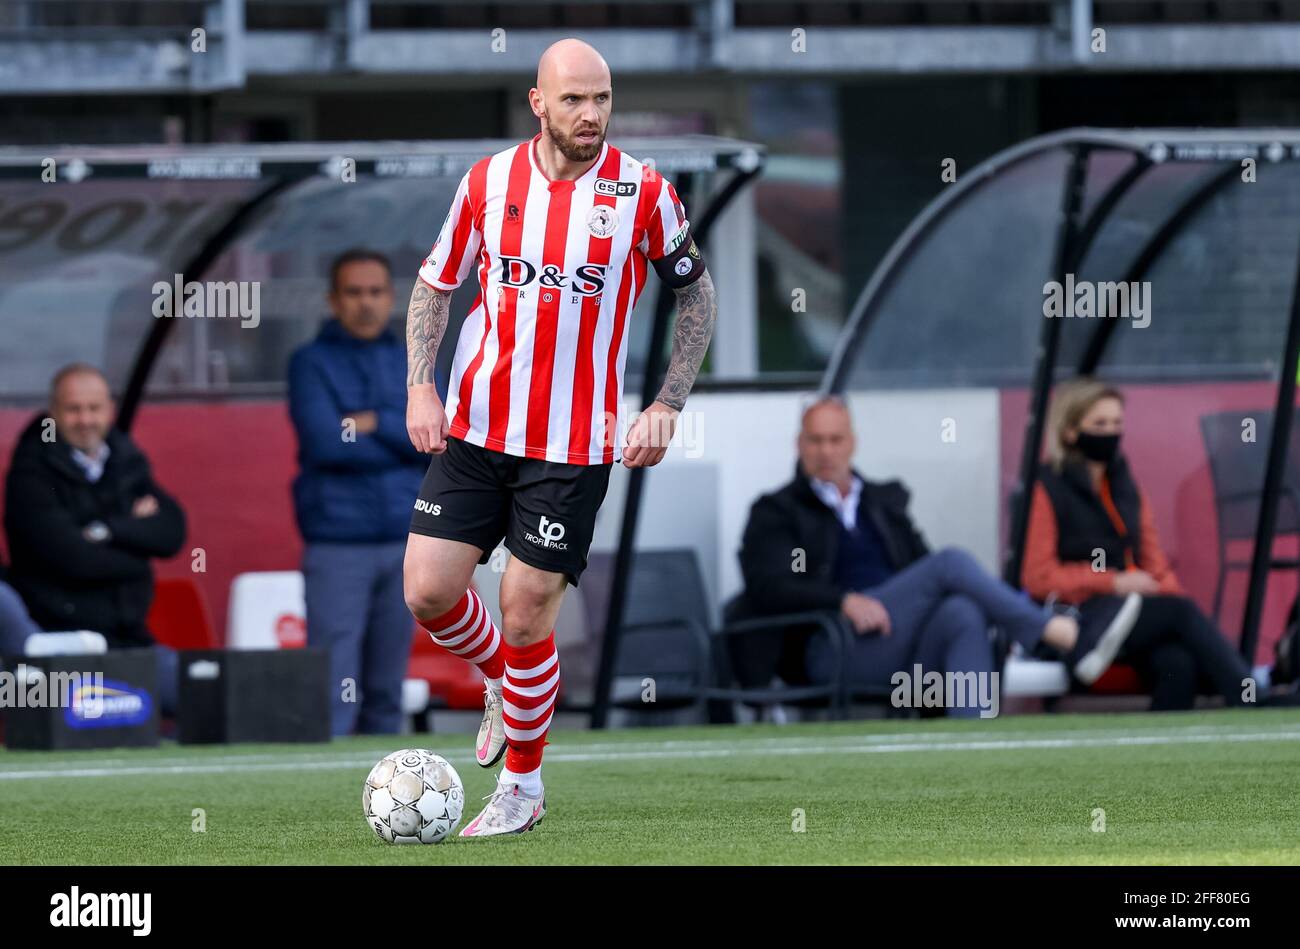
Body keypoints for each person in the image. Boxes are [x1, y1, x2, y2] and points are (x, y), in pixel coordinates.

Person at [402, 38, 717, 837]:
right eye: (574, 100)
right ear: (538, 103)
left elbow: (698, 299)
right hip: (476, 426)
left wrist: (669, 404)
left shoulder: (644, 193)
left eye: (602, 99)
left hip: (573, 444)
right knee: (429, 591)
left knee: (527, 608)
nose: (591, 114)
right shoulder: (488, 181)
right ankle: (504, 683)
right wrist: (420, 385)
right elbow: (437, 286)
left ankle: (523, 789)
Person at [739, 395, 1080, 717]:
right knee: (950, 563)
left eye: (835, 439)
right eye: (815, 440)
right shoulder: (776, 511)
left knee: (961, 610)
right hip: (831, 645)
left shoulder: (882, 503)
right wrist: (844, 601)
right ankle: (1041, 629)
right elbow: (769, 587)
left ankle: (975, 741)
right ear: (799, 445)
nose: (826, 450)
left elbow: (924, 571)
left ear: (852, 442)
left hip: (901, 636)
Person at [1023, 378, 1253, 710]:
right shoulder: (1046, 487)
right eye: (1099, 424)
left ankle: (1168, 757)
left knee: (1177, 664)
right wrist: (1114, 582)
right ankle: (1251, 695)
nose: (1111, 432)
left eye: (1117, 423)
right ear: (1070, 431)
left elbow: (1153, 560)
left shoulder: (1125, 484)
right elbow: (1037, 577)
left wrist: (1165, 593)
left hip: (1132, 616)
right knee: (1181, 612)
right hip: (1078, 620)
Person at [288, 250, 427, 737]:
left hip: (405, 540)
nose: (366, 303)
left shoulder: (416, 359)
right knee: (334, 684)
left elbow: (434, 440)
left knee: (388, 685)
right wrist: (399, 432)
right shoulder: (309, 362)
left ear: (392, 298)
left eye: (375, 292)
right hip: (337, 542)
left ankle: (388, 789)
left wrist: (370, 423)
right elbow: (325, 442)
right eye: (353, 292)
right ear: (333, 300)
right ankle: (327, 790)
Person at [3, 364, 186, 712]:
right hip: (61, 642)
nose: (85, 419)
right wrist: (138, 549)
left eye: (94, 408)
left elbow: (172, 532)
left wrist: (106, 531)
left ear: (110, 410)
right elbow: (74, 559)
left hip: (128, 640)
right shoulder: (32, 471)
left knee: (204, 693)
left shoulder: (125, 458)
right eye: (73, 409)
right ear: (53, 413)